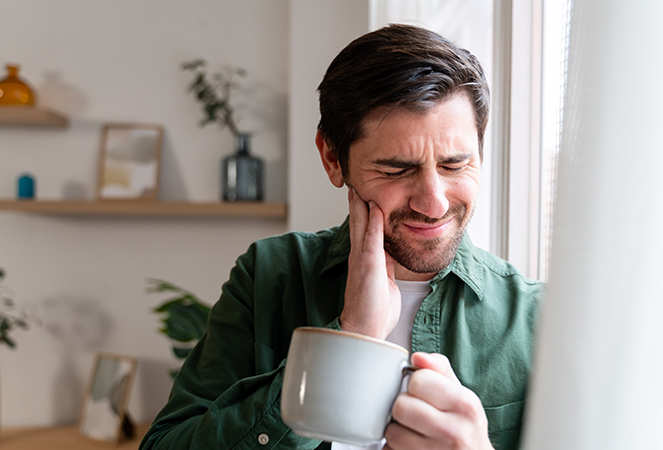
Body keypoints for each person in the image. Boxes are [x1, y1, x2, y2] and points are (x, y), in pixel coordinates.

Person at [140, 24, 543, 450]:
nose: (434, 203)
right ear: (333, 158)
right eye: (396, 169)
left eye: (455, 165)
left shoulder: (537, 320)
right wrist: (351, 339)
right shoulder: (270, 276)